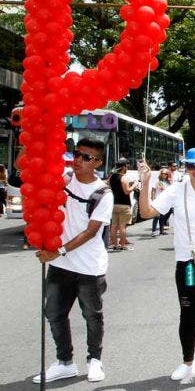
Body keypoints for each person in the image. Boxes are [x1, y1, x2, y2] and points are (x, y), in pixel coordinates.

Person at [138, 148, 195, 383]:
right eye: (191, 166)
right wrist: (146, 180)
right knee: (188, 312)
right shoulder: (176, 190)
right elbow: (146, 211)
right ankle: (186, 362)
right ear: (185, 167)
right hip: (188, 262)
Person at [33, 137, 113, 384]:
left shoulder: (103, 193)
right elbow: (28, 172)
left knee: (92, 315)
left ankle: (94, 361)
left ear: (97, 162)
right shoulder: (64, 179)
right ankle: (65, 362)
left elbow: (91, 232)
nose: (78, 160)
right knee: (54, 313)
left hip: (89, 266)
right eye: (77, 154)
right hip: (60, 265)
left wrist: (59, 251)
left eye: (86, 157)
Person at [107, 159, 136, 251]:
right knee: (122, 226)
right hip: (124, 204)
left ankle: (115, 244)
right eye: (126, 166)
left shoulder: (111, 177)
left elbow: (109, 187)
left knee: (114, 226)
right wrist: (134, 185)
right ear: (123, 167)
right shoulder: (124, 178)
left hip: (114, 203)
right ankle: (123, 245)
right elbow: (126, 191)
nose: (127, 168)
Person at [150, 169, 172, 237]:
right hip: (158, 200)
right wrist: (153, 198)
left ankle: (161, 231)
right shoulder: (158, 181)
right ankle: (153, 231)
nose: (164, 175)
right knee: (156, 216)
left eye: (165, 174)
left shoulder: (168, 182)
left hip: (165, 201)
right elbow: (154, 190)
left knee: (163, 216)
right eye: (162, 173)